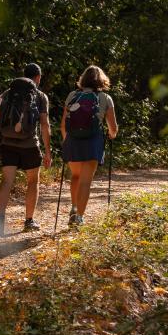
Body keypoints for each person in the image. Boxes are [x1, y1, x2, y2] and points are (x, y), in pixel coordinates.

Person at [0, 63, 52, 235]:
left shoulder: (10, 92)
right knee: (33, 181)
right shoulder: (40, 96)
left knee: (7, 181)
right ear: (38, 77)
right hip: (30, 145)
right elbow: (45, 125)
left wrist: (4, 122)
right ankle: (29, 221)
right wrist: (48, 150)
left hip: (8, 143)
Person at [61, 65, 118, 226]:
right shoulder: (105, 98)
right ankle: (79, 217)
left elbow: (63, 124)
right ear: (102, 80)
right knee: (85, 181)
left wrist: (67, 140)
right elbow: (113, 127)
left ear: (83, 79)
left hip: (73, 141)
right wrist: (111, 135)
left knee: (75, 176)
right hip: (93, 141)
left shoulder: (73, 95)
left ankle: (73, 208)